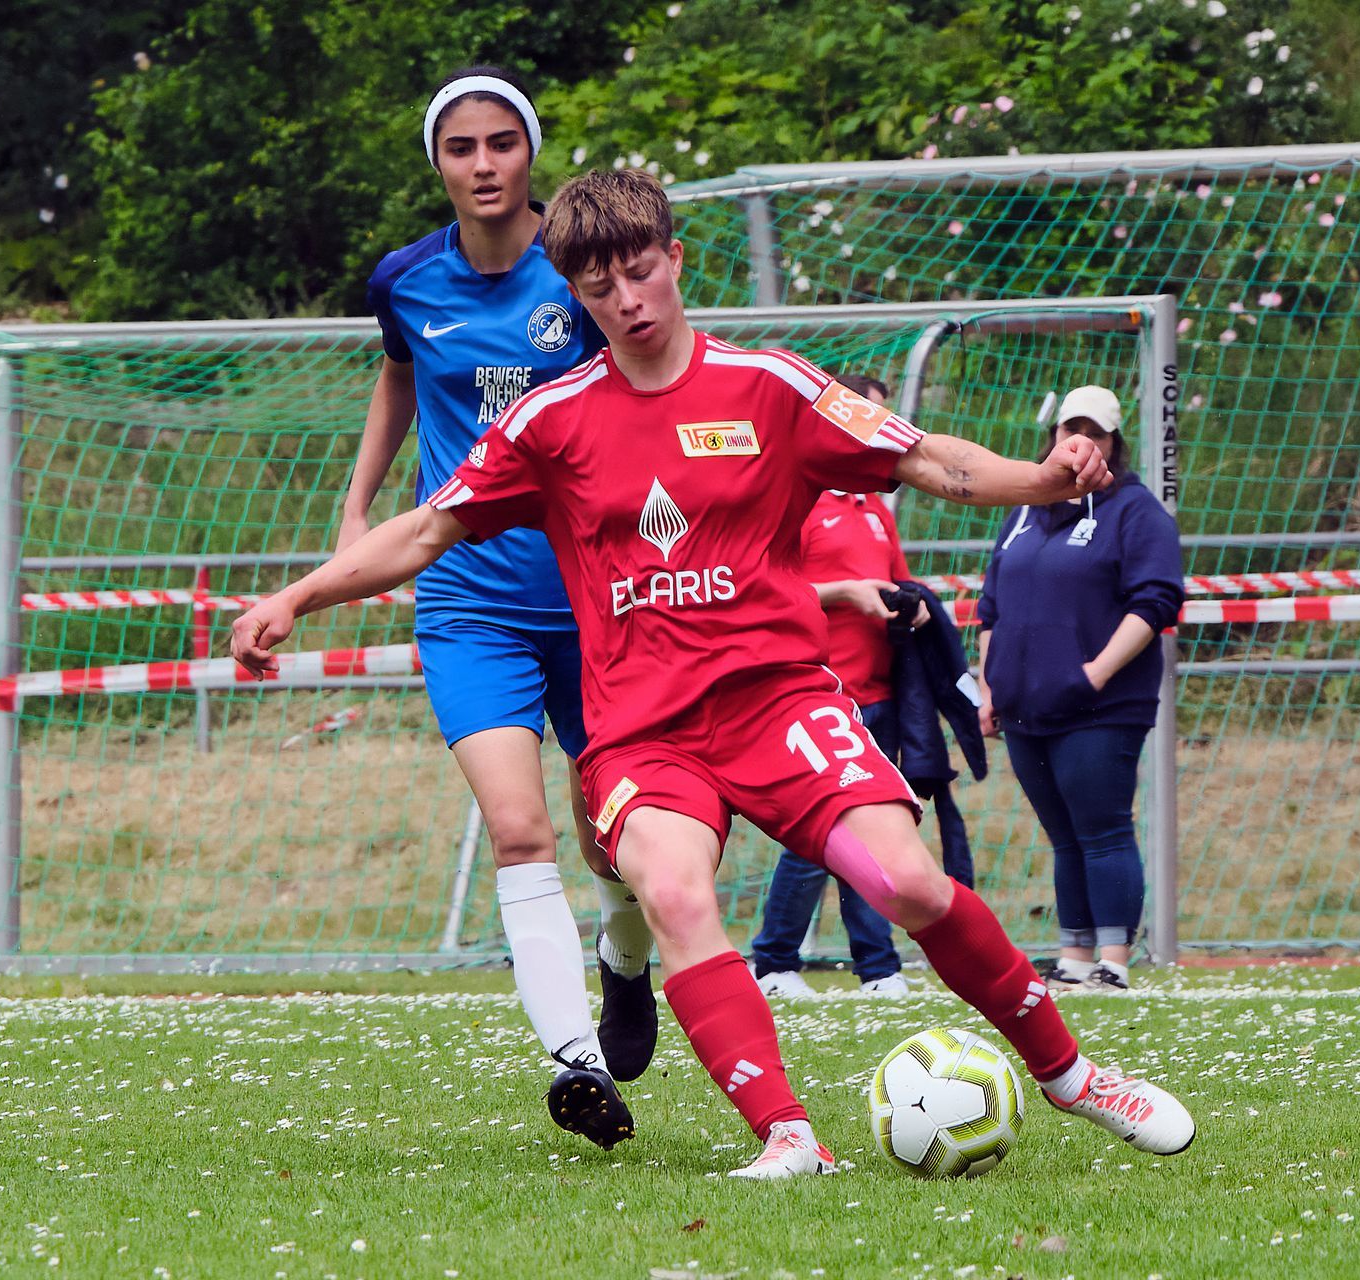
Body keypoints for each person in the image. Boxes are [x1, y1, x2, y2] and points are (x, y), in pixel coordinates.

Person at [233, 170, 1196, 1180]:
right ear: (577, 295)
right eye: (599, 288)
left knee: (908, 879)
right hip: (643, 734)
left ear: (676, 259)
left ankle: (1073, 1075)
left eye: (641, 272)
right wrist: (297, 597)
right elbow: (425, 530)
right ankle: (789, 1135)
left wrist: (1041, 481)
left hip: (779, 701)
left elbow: (923, 459)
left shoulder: (769, 386)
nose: (627, 300)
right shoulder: (549, 421)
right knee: (677, 893)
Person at [345, 66, 655, 1150]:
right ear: (437, 162)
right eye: (461, 147)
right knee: (519, 828)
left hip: (597, 598)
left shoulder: (580, 272)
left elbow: (648, 387)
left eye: (501, 143)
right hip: (469, 604)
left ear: (530, 151)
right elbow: (398, 377)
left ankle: (624, 956)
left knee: (612, 833)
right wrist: (357, 512)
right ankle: (577, 1062)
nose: (483, 164)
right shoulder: (405, 280)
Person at [976, 386, 1184, 992]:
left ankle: (1113, 962)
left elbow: (1156, 602)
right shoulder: (1022, 510)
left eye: (1095, 432)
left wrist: (1094, 674)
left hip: (1100, 707)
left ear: (1114, 442)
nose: (1081, 442)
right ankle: (1072, 958)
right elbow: (991, 608)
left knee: (1102, 828)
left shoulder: (1136, 511)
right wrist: (990, 688)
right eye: (1073, 429)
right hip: (1024, 706)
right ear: (1054, 436)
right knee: (1064, 836)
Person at [751, 373, 923, 1001]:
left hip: (879, 695)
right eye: (867, 420)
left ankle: (876, 967)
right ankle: (774, 962)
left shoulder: (874, 508)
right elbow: (766, 590)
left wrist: (914, 606)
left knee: (870, 830)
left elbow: (898, 581)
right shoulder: (798, 499)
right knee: (818, 833)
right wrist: (845, 593)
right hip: (818, 695)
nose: (879, 432)